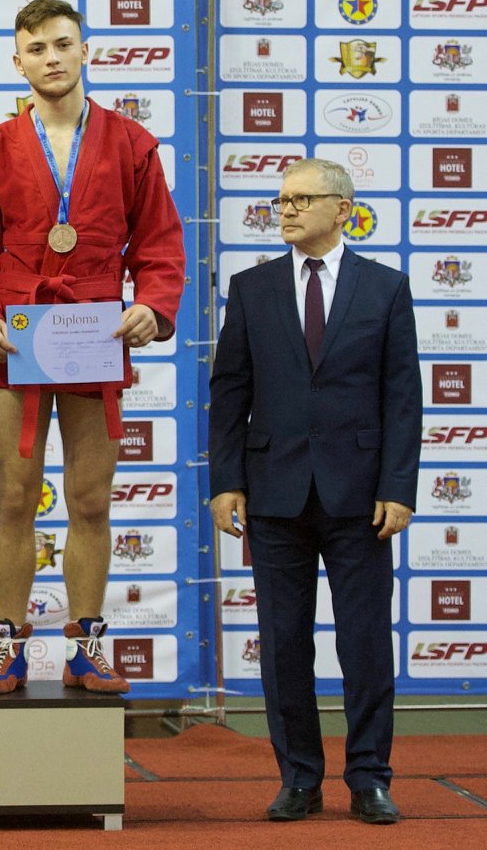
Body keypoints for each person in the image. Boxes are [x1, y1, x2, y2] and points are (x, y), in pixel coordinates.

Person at [0, 0, 184, 694]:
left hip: (94, 332)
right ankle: (7, 645)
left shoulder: (130, 143)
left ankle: (86, 645)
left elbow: (158, 243)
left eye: (63, 44)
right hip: (18, 339)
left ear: (86, 50)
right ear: (17, 61)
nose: (51, 58)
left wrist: (152, 305)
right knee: (15, 498)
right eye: (37, 48)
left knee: (90, 500)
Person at [210, 158, 417, 825]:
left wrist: (398, 487)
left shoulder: (385, 287)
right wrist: (225, 481)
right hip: (274, 493)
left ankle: (369, 778)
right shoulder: (251, 287)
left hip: (360, 497)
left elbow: (402, 395)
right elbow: (230, 391)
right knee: (282, 645)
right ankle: (298, 778)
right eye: (281, 201)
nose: (287, 210)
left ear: (342, 208)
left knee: (365, 644)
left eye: (301, 199)